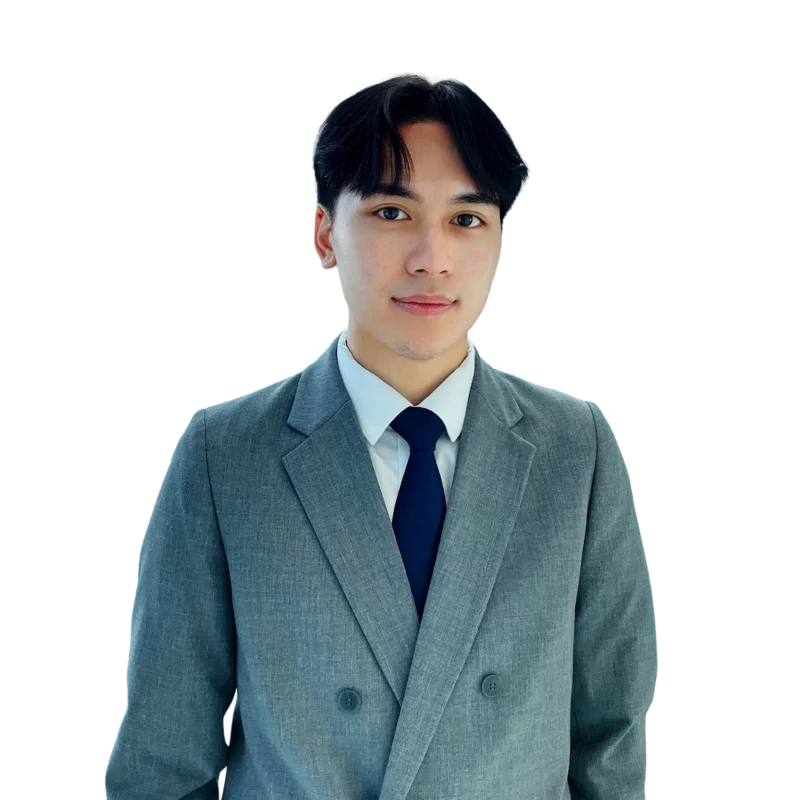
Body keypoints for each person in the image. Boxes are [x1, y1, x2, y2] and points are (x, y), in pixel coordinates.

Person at [104, 73, 657, 799]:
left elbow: (612, 747)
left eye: (467, 219)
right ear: (325, 234)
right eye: (392, 212)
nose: (431, 257)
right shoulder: (225, 455)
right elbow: (161, 770)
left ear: (498, 243)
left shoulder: (576, 450)